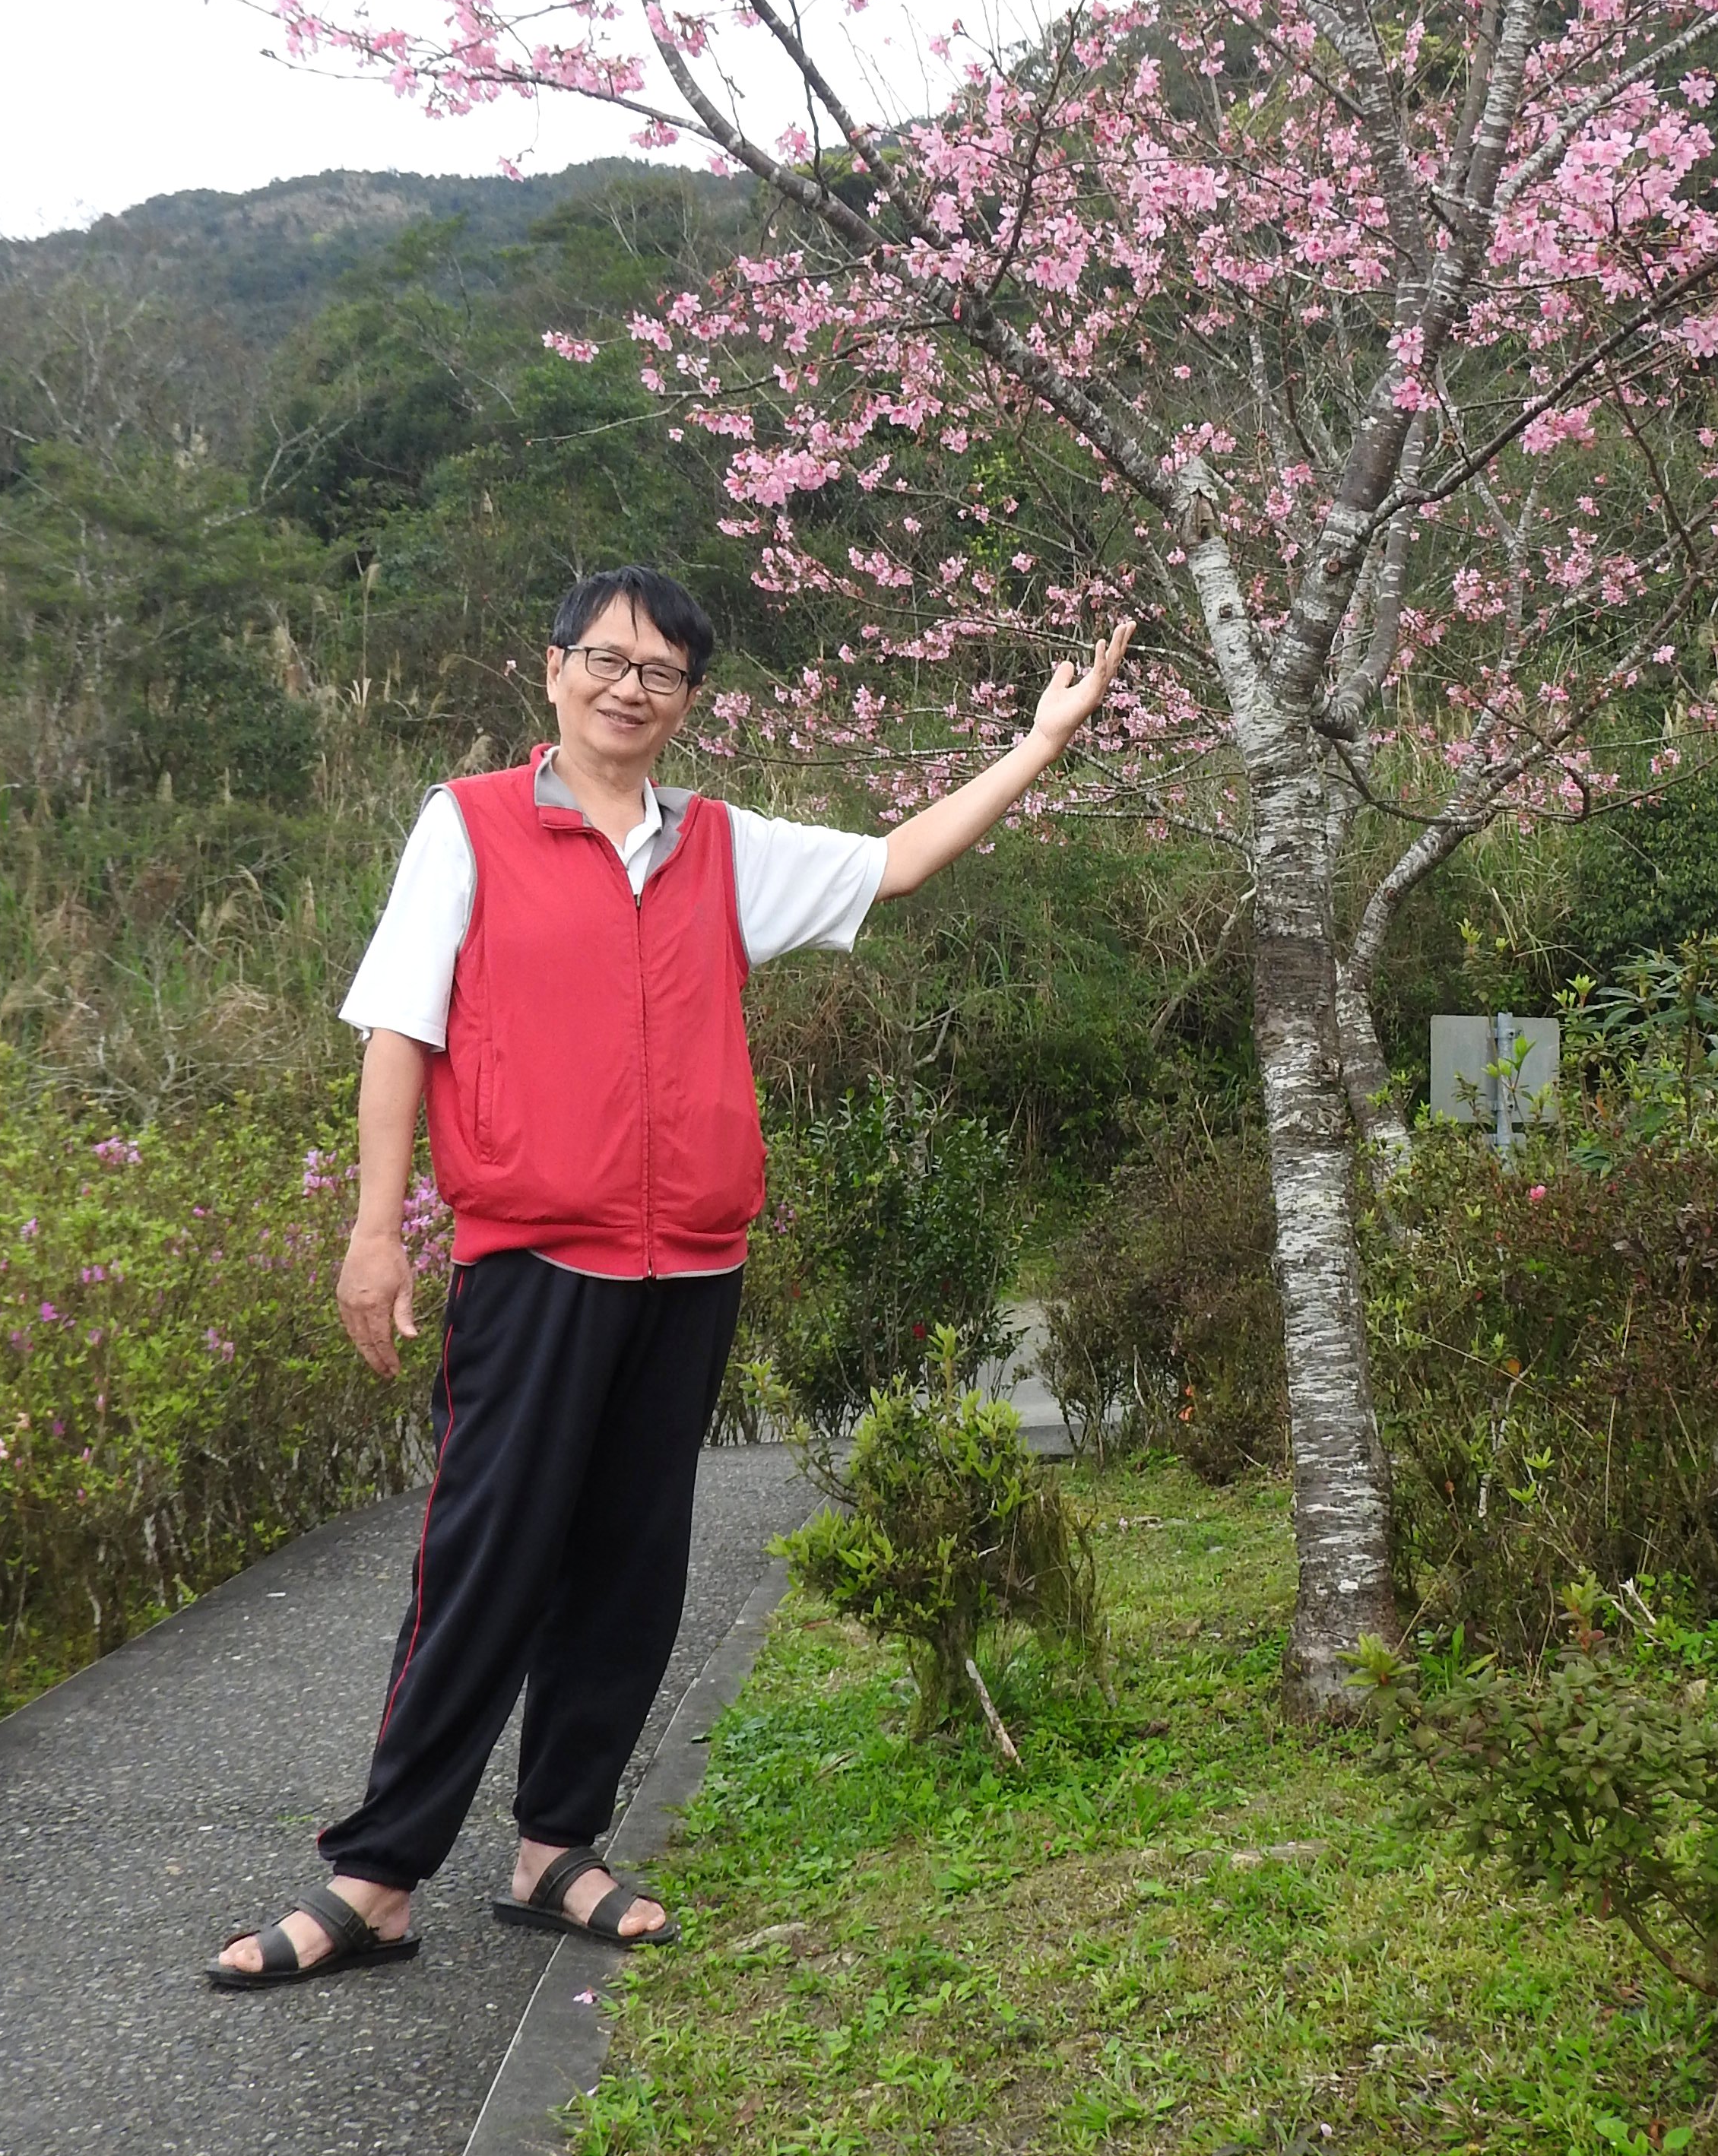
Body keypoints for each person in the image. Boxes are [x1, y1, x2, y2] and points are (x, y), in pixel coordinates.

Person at [208, 565, 1131, 1988]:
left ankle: (554, 1850)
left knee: (633, 1564)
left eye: (661, 672)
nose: (629, 688)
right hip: (532, 1257)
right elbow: (399, 1028)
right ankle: (377, 1877)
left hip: (690, 1263)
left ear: (689, 699)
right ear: (555, 669)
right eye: (606, 659)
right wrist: (374, 1231)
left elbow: (896, 862)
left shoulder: (719, 846)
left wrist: (1039, 747)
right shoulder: (468, 825)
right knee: (486, 1561)